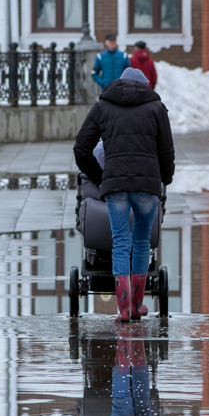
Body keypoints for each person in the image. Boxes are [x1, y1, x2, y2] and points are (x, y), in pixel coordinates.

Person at [74, 67, 175, 322]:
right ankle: (137, 305)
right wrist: (165, 179)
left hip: (116, 187)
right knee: (141, 242)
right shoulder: (156, 108)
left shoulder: (103, 107)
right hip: (147, 187)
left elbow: (81, 149)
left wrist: (100, 178)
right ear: (144, 86)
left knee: (120, 240)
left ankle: (122, 310)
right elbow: (167, 151)